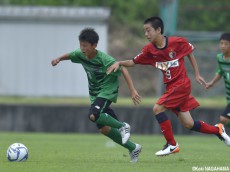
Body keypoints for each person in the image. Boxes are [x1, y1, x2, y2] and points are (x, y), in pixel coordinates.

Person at [107, 17, 230, 156]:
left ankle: (172, 144)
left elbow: (189, 53)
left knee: (157, 108)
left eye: (148, 31)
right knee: (189, 124)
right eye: (144, 31)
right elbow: (133, 61)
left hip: (182, 85)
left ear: (158, 30)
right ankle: (218, 130)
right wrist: (119, 62)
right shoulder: (149, 50)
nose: (146, 34)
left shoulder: (177, 42)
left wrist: (196, 74)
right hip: (171, 88)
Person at [51, 28, 142, 162]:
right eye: (81, 45)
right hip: (95, 94)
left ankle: (123, 126)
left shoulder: (104, 59)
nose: (82, 48)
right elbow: (69, 56)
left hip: (107, 91)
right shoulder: (80, 54)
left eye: (85, 46)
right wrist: (58, 59)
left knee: (93, 115)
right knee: (104, 129)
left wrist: (132, 90)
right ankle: (133, 147)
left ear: (94, 46)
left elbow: (123, 70)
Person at [205, 33, 230, 128]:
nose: (223, 46)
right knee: (225, 119)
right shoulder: (220, 57)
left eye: (226, 44)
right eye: (221, 43)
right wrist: (212, 83)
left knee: (223, 119)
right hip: (228, 95)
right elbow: (220, 72)